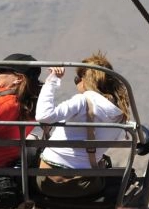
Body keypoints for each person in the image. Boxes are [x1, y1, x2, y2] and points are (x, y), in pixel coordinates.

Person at [34, 51, 131, 198]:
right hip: (87, 185)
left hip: (48, 182)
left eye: (77, 79)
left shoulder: (83, 101)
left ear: (85, 81)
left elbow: (44, 115)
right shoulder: (120, 114)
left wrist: (52, 81)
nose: (76, 83)